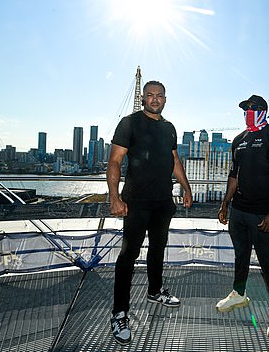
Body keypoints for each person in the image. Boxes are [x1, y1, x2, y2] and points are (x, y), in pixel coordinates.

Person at [107, 80, 193, 345]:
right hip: (136, 202)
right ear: (143, 98)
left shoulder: (169, 128)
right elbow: (115, 160)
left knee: (158, 249)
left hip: (162, 202)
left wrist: (186, 188)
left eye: (159, 95)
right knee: (128, 255)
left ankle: (155, 291)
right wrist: (114, 196)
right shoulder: (129, 123)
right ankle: (119, 313)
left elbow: (174, 160)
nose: (155, 99)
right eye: (150, 95)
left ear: (165, 99)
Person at [216, 94, 269, 341]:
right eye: (245, 108)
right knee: (240, 255)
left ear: (263, 110)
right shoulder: (239, 140)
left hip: (264, 214)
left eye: (252, 108)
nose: (248, 111)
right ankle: (239, 293)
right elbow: (234, 174)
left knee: (267, 263)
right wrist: (225, 204)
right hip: (239, 211)